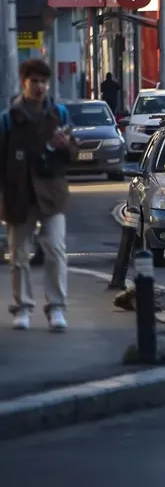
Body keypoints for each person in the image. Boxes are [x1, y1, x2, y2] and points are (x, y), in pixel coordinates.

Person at [0, 59, 76, 331]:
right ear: (24, 83)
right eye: (35, 81)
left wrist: (65, 146)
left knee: (55, 248)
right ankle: (23, 308)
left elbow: (72, 157)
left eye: (44, 81)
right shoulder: (9, 118)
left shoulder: (60, 113)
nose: (40, 87)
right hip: (18, 194)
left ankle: (56, 307)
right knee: (19, 254)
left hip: (52, 194)